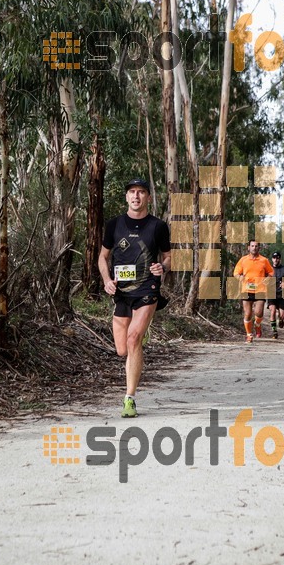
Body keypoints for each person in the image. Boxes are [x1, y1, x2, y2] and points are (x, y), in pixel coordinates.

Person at [98, 178, 171, 418]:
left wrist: (163, 267)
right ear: (126, 197)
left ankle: (129, 398)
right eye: (132, 192)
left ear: (148, 197)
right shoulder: (114, 225)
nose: (136, 196)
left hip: (147, 291)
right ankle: (137, 344)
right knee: (122, 350)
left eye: (141, 192)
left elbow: (169, 257)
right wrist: (107, 280)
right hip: (122, 293)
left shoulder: (158, 226)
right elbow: (102, 257)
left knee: (133, 338)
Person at [233, 241, 274, 343]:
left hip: (260, 289)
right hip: (246, 289)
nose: (254, 248)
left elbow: (271, 272)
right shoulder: (243, 260)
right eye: (252, 246)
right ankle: (249, 335)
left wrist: (267, 279)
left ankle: (257, 325)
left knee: (258, 312)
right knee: (247, 313)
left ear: (259, 248)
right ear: (248, 248)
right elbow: (236, 273)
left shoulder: (264, 260)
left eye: (256, 246)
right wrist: (240, 277)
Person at [267, 251, 284, 339]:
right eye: (274, 258)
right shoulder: (268, 269)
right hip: (271, 294)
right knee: (273, 311)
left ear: (280, 259)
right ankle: (274, 331)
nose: (276, 259)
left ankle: (281, 319)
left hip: (282, 294)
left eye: (277, 258)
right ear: (272, 259)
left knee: (282, 315)